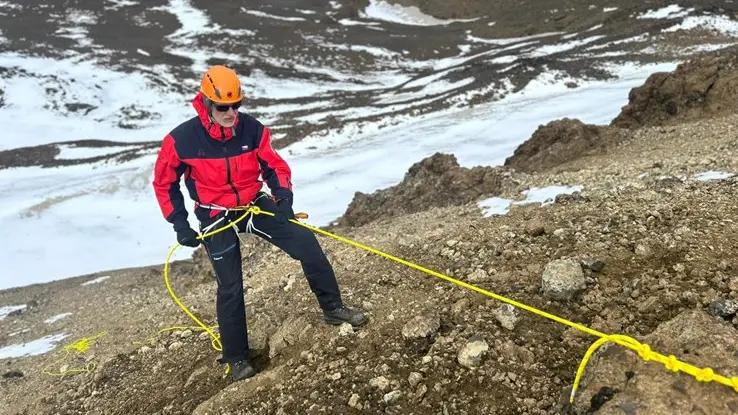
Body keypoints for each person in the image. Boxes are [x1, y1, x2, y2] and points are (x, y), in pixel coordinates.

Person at [152, 65, 367, 381]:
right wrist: (180, 224)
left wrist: (283, 197)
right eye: (223, 107)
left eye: (236, 105)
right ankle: (237, 358)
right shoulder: (181, 140)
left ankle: (334, 309)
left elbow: (274, 166)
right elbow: (164, 183)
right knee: (230, 284)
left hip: (252, 203)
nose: (231, 113)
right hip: (214, 213)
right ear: (206, 103)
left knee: (307, 244)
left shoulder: (252, 130)